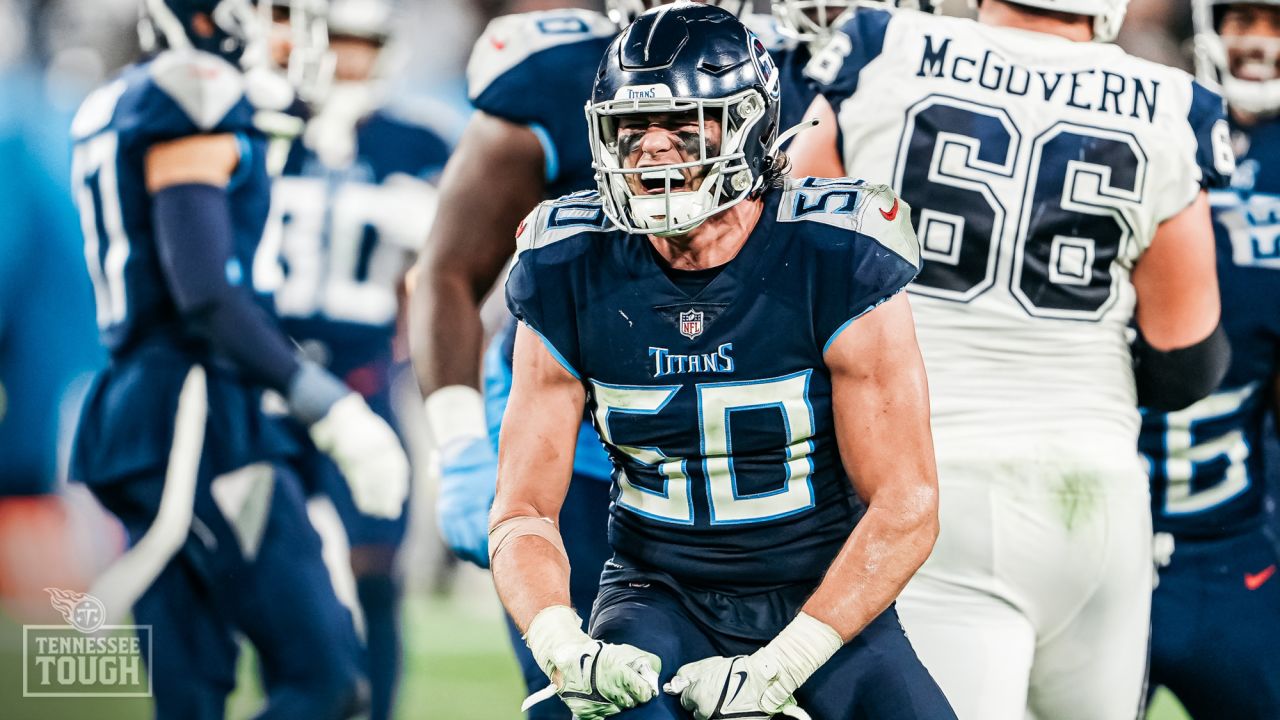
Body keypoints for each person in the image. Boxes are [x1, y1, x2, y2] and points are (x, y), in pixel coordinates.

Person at [490, 5, 957, 719]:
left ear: (749, 126)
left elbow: (906, 506)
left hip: (821, 591)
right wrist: (558, 637)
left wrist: (783, 665)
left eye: (682, 127)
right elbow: (523, 510)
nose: (651, 152)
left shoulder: (834, 253)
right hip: (657, 597)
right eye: (631, 130)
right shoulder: (565, 263)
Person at [787, 0, 1234, 717]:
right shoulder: (1172, 103)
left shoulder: (881, 49)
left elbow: (788, 264)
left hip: (924, 489)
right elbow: (1187, 362)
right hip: (1096, 498)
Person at [68, 0, 408, 716]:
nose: (293, 35)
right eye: (274, 12)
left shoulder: (121, 97)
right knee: (326, 680)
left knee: (192, 699)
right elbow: (206, 296)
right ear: (207, 17)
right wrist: (329, 405)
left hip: (153, 412)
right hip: (199, 419)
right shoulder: (192, 91)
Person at [409, 2, 744, 717]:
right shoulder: (555, 73)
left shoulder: (795, 73)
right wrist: (462, 447)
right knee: (605, 697)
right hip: (576, 448)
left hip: (732, 447)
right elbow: (443, 273)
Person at [264, 2, 448, 718]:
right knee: (268, 577)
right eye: (330, 42)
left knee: (375, 566)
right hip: (266, 379)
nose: (343, 60)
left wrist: (432, 228)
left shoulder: (414, 139)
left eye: (357, 44)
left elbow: (460, 276)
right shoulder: (262, 128)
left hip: (361, 379)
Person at [1138, 1, 1280, 715]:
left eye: (1275, 21)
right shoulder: (1157, 127)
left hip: (1229, 543)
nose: (1257, 42)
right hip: (1105, 546)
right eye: (1243, 18)